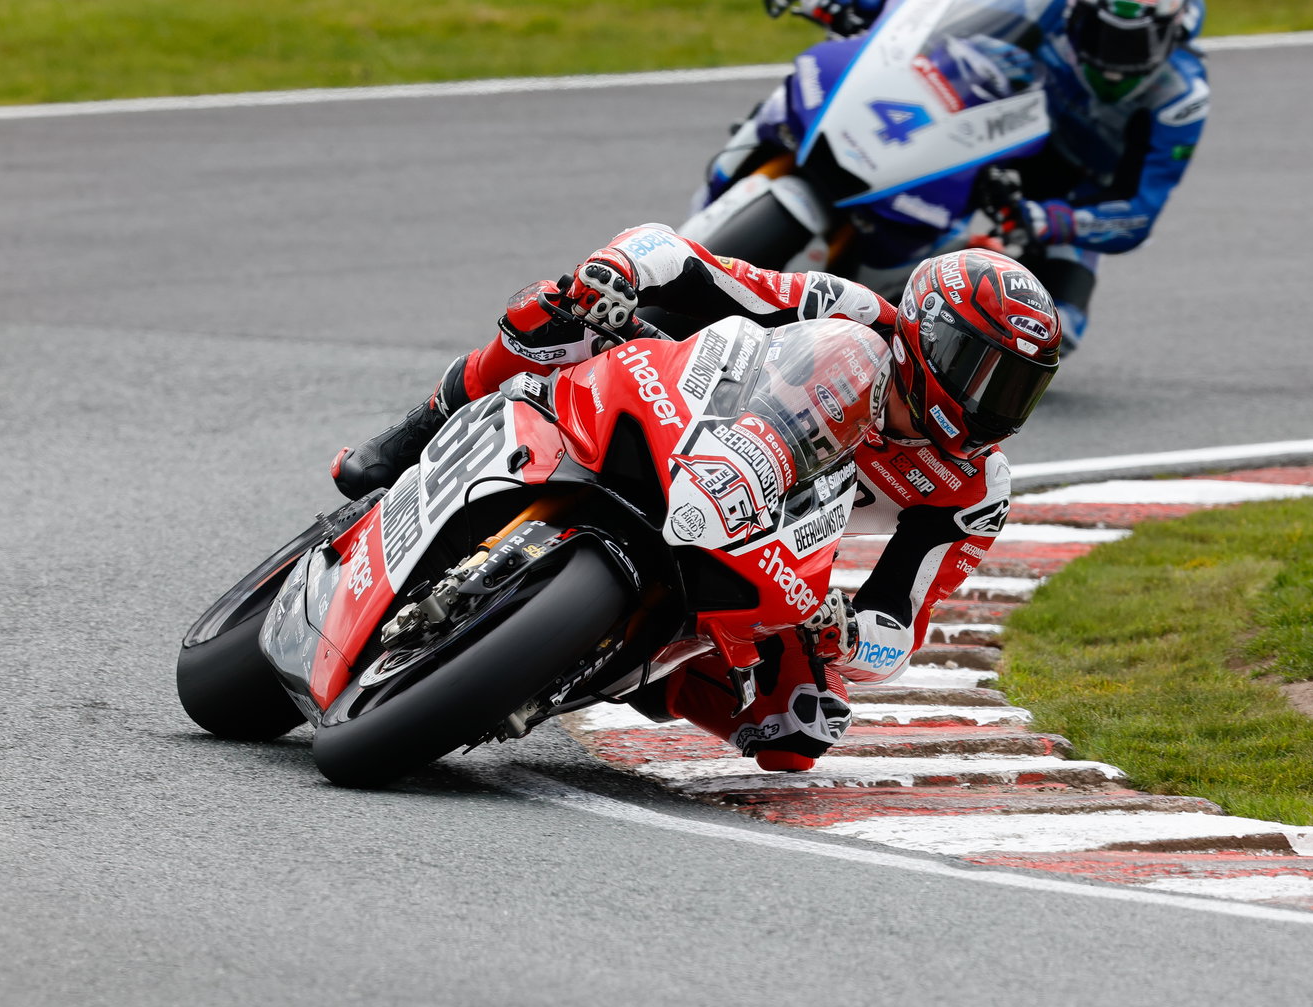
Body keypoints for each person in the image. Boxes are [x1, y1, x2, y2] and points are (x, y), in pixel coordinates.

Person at [332, 224, 1059, 770]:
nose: (993, 404)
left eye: (1018, 388)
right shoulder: (851, 311)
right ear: (928, 335)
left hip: (779, 538)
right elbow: (697, 265)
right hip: (694, 411)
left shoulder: (973, 487)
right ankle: (411, 436)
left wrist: (845, 631)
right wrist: (616, 273)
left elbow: (899, 623)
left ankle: (642, 670)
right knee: (555, 313)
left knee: (802, 727)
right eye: (981, 370)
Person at [746, 0, 1209, 356]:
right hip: (981, 137)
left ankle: (879, 351)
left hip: (1060, 197)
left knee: (1048, 331)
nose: (1113, 58)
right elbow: (939, 11)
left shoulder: (1180, 98)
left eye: (1134, 42)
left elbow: (1139, 214)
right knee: (813, 94)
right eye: (1102, 33)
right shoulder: (1047, 9)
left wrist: (1047, 221)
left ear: (1173, 29)